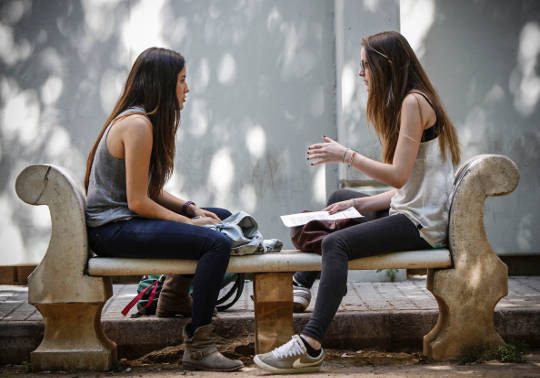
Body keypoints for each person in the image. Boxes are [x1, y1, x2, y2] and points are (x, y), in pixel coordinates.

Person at [254, 31, 461, 374]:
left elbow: (396, 176)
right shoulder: (412, 100)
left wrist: (345, 155)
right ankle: (304, 284)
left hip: (422, 225)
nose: (361, 73)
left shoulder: (413, 103)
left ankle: (310, 344)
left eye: (365, 65)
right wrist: (363, 205)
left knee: (336, 243)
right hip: (411, 208)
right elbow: (408, 186)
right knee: (340, 200)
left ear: (386, 65)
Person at [84, 47, 243, 372]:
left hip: (123, 221)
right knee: (217, 242)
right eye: (182, 80)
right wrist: (194, 224)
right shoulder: (138, 124)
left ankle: (172, 297)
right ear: (163, 83)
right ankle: (199, 345)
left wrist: (191, 209)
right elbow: (138, 202)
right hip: (112, 230)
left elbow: (151, 190)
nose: (187, 88)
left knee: (221, 216)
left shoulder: (142, 120)